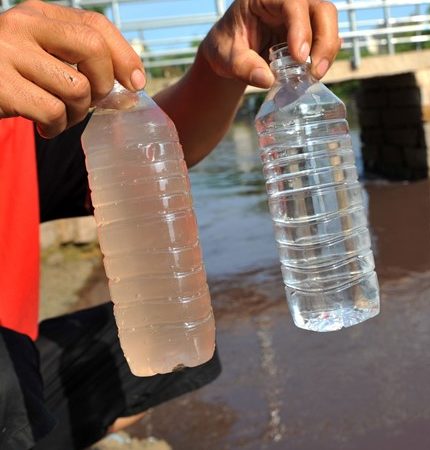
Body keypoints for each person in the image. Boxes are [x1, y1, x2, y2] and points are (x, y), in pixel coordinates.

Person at [0, 0, 340, 448]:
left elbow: (143, 165)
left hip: (18, 345)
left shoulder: (15, 124)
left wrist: (218, 68)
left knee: (175, 347)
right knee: (10, 391)